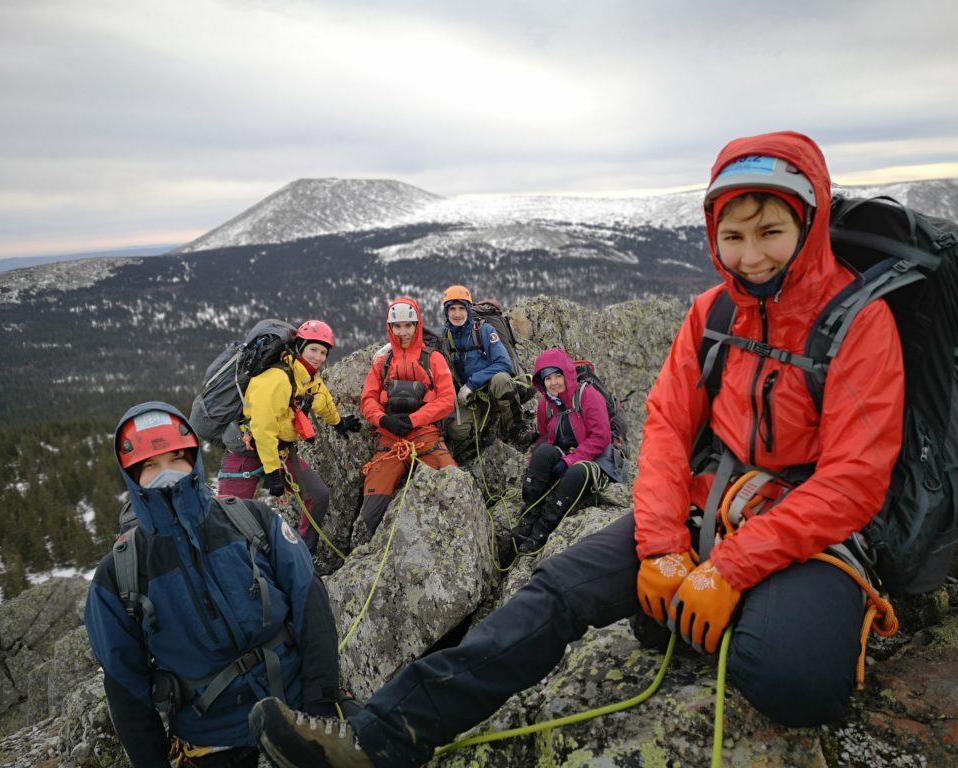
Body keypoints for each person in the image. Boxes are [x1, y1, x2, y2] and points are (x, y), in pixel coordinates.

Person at [248, 130, 906, 767]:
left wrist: (728, 575)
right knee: (556, 589)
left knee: (795, 684)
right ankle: (382, 735)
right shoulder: (714, 316)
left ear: (808, 226)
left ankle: (731, 619)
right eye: (733, 237)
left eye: (771, 233)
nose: (751, 256)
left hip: (808, 536)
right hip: (706, 509)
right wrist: (664, 549)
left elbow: (852, 481)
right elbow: (670, 429)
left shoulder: (857, 324)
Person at [85, 402, 348, 768]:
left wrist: (321, 703)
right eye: (149, 466)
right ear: (131, 477)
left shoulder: (251, 519)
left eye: (176, 458)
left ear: (193, 458)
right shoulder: (117, 577)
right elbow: (126, 688)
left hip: (299, 706)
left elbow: (310, 604)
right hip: (213, 743)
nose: (167, 475)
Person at [217, 319, 360, 555]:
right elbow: (263, 428)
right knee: (229, 517)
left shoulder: (307, 377)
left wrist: (338, 422)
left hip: (281, 452)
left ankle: (304, 556)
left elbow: (321, 399)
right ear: (300, 346)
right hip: (247, 451)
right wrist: (272, 472)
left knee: (317, 496)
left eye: (323, 352)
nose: (318, 357)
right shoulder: (276, 378)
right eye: (313, 349)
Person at [356, 297, 457, 536]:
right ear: (390, 327)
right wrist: (382, 420)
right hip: (390, 440)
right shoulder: (382, 363)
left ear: (417, 325)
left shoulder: (433, 359)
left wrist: (413, 420)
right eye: (397, 326)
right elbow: (367, 400)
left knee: (453, 489)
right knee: (371, 514)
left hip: (426, 436)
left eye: (408, 325)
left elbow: (446, 401)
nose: (402, 332)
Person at [511, 347, 622, 553]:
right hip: (567, 453)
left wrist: (570, 461)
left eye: (557, 375)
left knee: (576, 472)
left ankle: (543, 530)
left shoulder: (588, 396)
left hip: (598, 460)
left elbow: (601, 437)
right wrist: (538, 464)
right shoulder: (546, 404)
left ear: (567, 374)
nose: (553, 382)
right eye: (547, 378)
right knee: (542, 454)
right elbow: (545, 437)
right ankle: (529, 517)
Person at [438, 285, 534, 454]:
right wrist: (391, 347)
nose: (457, 314)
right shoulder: (445, 336)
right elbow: (422, 341)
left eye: (462, 308)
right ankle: (487, 420)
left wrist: (471, 384)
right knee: (457, 431)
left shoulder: (483, 330)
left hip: (489, 388)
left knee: (501, 379)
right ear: (446, 312)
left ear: (469, 309)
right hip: (470, 398)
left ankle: (517, 429)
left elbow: (505, 364)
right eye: (452, 309)